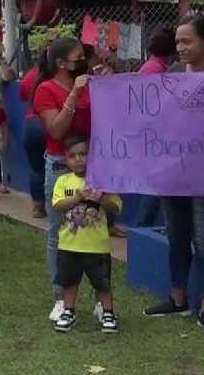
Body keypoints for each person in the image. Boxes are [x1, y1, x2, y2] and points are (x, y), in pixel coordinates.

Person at [144, 15, 204, 335]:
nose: (180, 48)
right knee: (177, 235)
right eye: (178, 42)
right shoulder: (170, 75)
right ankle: (177, 297)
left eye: (187, 41)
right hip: (172, 171)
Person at [33, 38, 92, 322]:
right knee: (60, 233)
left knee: (93, 231)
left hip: (92, 166)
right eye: (78, 56)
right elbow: (55, 131)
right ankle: (60, 296)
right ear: (60, 63)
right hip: (60, 167)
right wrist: (73, 95)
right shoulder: (45, 90)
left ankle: (98, 295)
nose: (83, 60)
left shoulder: (88, 85)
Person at [51, 135, 121, 334]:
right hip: (68, 245)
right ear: (65, 159)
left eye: (83, 154)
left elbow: (115, 207)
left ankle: (108, 312)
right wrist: (78, 197)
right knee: (69, 281)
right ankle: (68, 311)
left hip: (96, 246)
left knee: (102, 282)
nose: (79, 159)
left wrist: (100, 198)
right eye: (72, 156)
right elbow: (57, 206)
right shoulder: (63, 181)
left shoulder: (102, 181)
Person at [132, 28, 176, 227]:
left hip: (153, 137)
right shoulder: (156, 70)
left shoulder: (152, 67)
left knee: (157, 188)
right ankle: (142, 229)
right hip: (155, 138)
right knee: (157, 188)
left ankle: (144, 228)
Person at [20, 49, 54, 222]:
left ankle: (37, 206)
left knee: (36, 167)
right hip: (49, 121)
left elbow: (22, 93)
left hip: (31, 122)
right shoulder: (58, 76)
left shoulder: (32, 75)